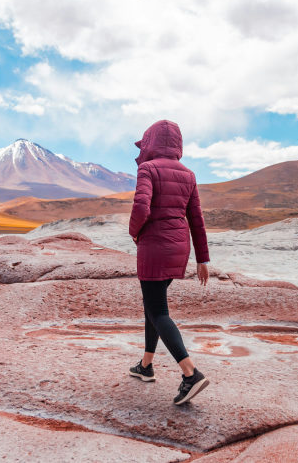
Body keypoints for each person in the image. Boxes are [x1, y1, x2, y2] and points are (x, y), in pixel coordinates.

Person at [127, 120, 211, 405]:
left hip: (154, 247)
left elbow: (141, 207)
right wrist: (202, 259)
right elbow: (196, 219)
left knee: (158, 310)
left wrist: (134, 232)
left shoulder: (147, 169)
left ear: (151, 143)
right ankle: (146, 366)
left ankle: (190, 374)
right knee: (152, 305)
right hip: (178, 248)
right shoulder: (188, 174)